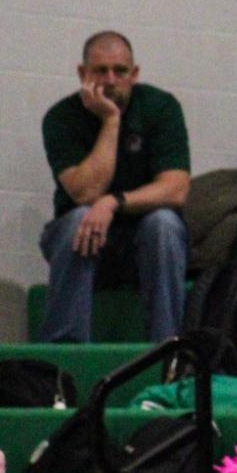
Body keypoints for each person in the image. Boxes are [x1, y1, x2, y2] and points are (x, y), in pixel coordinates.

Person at [38, 30, 189, 344]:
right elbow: (86, 193)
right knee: (80, 218)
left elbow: (176, 189)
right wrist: (111, 121)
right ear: (83, 74)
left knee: (164, 223)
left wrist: (114, 202)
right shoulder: (61, 118)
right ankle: (67, 353)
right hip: (84, 242)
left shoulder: (160, 107)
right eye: (100, 71)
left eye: (120, 71)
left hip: (145, 245)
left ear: (134, 74)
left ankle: (167, 350)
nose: (110, 79)